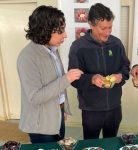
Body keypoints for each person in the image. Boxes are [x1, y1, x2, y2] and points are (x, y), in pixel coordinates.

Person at [17, 5, 83, 143]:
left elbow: (56, 83)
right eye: (60, 31)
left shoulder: (53, 50)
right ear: (44, 30)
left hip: (57, 115)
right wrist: (67, 79)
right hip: (40, 125)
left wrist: (63, 107)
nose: (65, 35)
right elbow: (35, 97)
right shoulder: (27, 57)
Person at [68, 3, 130, 139]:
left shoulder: (116, 43)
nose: (108, 32)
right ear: (91, 24)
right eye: (103, 28)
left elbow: (126, 68)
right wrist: (91, 79)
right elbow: (73, 79)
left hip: (114, 107)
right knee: (91, 145)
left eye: (110, 27)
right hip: (91, 110)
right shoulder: (78, 47)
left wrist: (121, 76)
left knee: (111, 142)